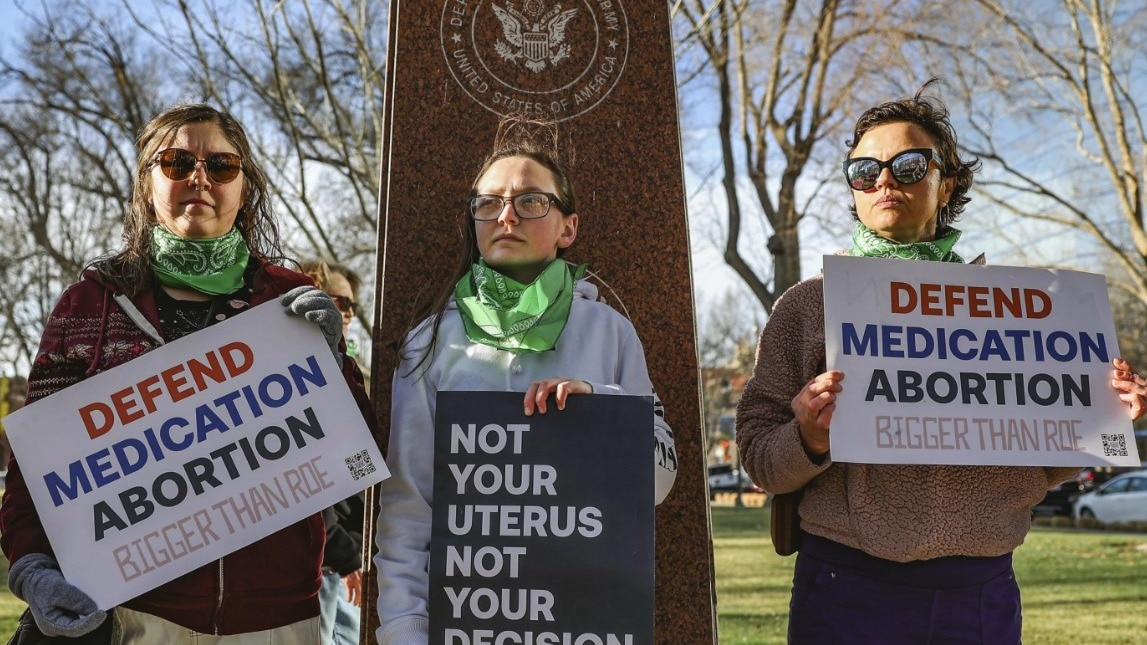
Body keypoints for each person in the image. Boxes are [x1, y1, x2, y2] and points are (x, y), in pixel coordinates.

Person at [735, 79, 1147, 644]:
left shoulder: (1025, 313)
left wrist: (1102, 418)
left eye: (908, 165)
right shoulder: (807, 306)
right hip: (844, 583)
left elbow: (1043, 465)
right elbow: (759, 458)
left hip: (980, 592)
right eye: (864, 170)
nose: (883, 180)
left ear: (945, 182)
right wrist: (808, 438)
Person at [0, 103, 375, 643]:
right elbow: (37, 469)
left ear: (244, 186)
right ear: (147, 182)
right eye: (176, 163)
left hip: (279, 616)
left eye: (221, 166)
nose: (199, 177)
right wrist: (32, 567)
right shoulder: (91, 306)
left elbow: (351, 449)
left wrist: (336, 363)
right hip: (136, 613)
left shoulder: (286, 298)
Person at [373, 117, 679, 644]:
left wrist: (602, 416)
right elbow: (409, 503)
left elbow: (659, 482)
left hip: (583, 622)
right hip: (465, 624)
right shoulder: (429, 342)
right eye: (488, 203)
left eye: (531, 201)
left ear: (568, 228)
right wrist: (404, 627)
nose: (506, 216)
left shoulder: (611, 332)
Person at [300, 259, 368, 645]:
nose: (346, 314)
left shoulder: (350, 377)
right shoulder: (296, 378)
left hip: (346, 568)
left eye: (351, 305)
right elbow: (304, 486)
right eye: (337, 301)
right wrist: (347, 556)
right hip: (320, 570)